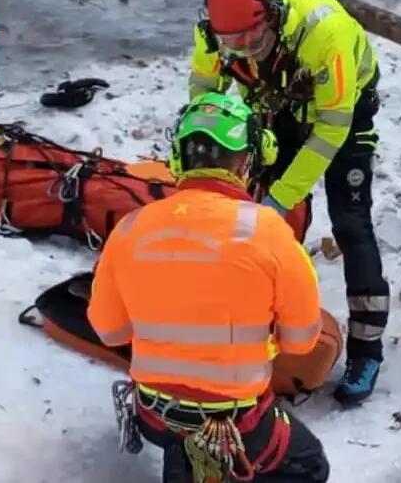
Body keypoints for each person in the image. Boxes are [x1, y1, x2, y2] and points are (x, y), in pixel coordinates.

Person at [87, 92, 330, 482]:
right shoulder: (268, 231)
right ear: (248, 161)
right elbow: (301, 341)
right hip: (238, 424)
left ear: (180, 158)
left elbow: (109, 331)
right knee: (309, 463)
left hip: (154, 415)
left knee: (182, 443)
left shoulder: (130, 227)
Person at [187, 0, 388, 405]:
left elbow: (331, 131)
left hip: (343, 115)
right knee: (256, 218)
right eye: (234, 45)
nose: (246, 51)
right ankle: (256, 322)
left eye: (254, 42)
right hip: (277, 104)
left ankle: (367, 350)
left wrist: (281, 199)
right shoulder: (216, 34)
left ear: (273, 16)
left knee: (351, 224)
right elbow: (204, 94)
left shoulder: (325, 33)